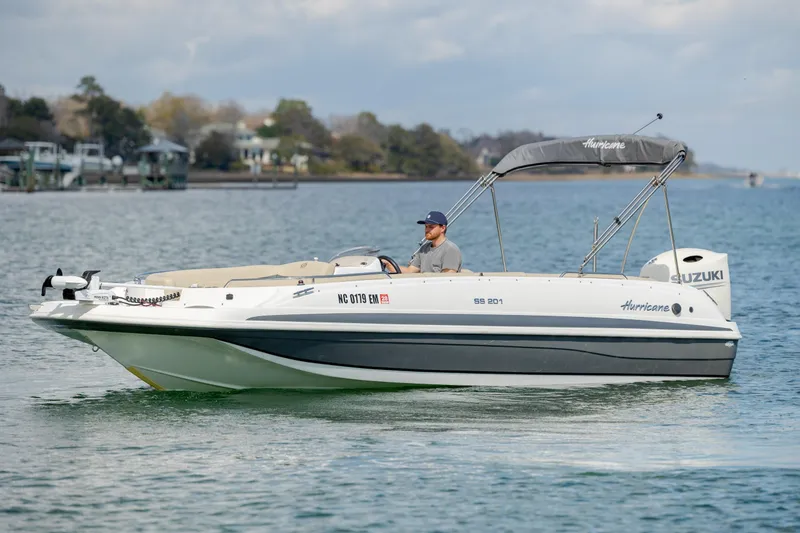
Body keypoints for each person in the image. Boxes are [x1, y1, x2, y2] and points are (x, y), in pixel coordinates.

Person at [381, 211, 462, 273]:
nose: (427, 230)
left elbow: (449, 278)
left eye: (431, 227)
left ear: (442, 228)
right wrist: (388, 264)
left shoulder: (450, 249)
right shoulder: (424, 249)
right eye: (426, 226)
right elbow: (409, 271)